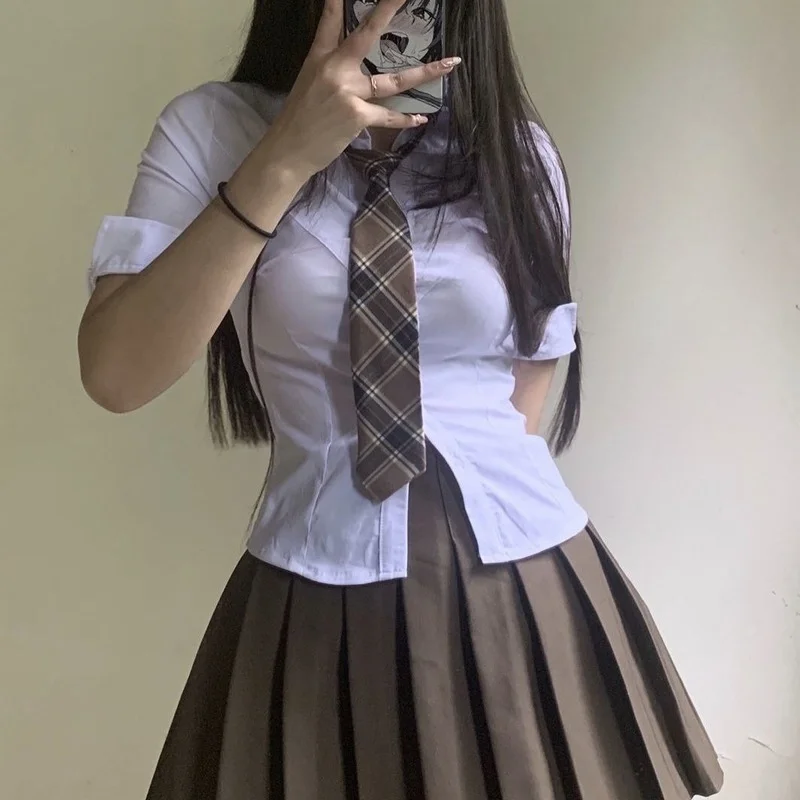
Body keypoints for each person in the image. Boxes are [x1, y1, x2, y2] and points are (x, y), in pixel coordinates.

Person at [78, 0, 724, 797]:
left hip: (523, 586)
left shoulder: (515, 151)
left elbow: (526, 385)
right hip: (315, 597)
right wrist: (284, 158)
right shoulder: (212, 129)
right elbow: (117, 373)